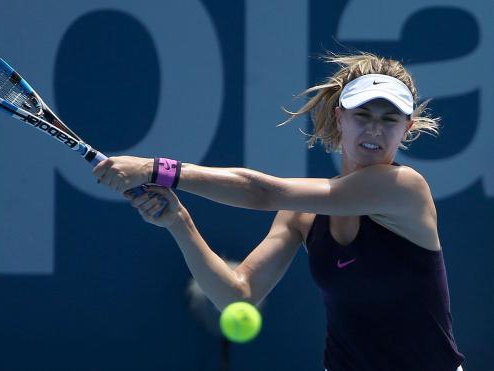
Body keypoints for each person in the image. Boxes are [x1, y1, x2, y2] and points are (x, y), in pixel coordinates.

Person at [93, 52, 465, 371]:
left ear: (407, 128)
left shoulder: (406, 188)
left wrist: (159, 169)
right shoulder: (301, 216)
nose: (375, 129)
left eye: (390, 119)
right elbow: (238, 297)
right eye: (363, 114)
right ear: (340, 118)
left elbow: (263, 193)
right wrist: (179, 222)